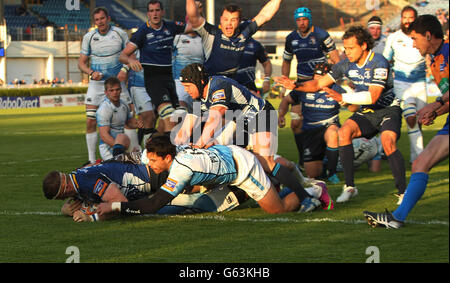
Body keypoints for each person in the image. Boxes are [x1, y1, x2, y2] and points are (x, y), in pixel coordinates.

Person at [275, 26, 406, 204]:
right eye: (345, 48)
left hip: (388, 109)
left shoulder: (379, 62)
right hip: (367, 111)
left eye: (351, 48)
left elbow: (373, 96)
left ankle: (402, 192)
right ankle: (350, 187)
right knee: (344, 133)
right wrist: (295, 85)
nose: (347, 52)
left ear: (364, 46)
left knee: (388, 142)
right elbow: (318, 83)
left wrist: (343, 97)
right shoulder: (345, 64)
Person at [176, 63, 321, 212]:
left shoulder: (218, 85)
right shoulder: (198, 96)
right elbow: (189, 123)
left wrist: (200, 143)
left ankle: (306, 198)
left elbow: (216, 115)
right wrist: (178, 146)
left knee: (266, 162)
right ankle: (272, 186)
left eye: (188, 86)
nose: (186, 90)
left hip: (261, 115)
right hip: (240, 123)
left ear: (200, 82)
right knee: (236, 158)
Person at [96, 135, 324, 217]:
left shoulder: (180, 170)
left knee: (277, 210)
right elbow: (143, 157)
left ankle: (314, 191)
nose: (150, 164)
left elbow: (154, 203)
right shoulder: (175, 150)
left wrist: (115, 207)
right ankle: (281, 178)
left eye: (154, 160)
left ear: (167, 158)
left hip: (243, 169)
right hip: (228, 155)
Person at [363, 15, 449, 229]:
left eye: (415, 38)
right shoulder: (435, 59)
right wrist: (437, 112)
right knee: (421, 163)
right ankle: (397, 218)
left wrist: (436, 103)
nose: (413, 43)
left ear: (428, 36)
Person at [281, 7, 341, 168]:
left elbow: (335, 58)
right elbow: (286, 61)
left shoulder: (321, 35)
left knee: (321, 120)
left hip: (321, 82)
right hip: (301, 84)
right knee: (295, 123)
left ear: (310, 20)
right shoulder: (291, 38)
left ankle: (326, 155)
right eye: (299, 20)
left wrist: (340, 76)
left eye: (304, 19)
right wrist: (285, 84)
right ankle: (304, 158)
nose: (302, 23)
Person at [119, 0, 189, 135]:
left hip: (169, 78)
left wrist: (195, 10)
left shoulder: (170, 26)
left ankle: (154, 146)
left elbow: (193, 26)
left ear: (162, 12)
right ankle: (170, 152)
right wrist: (130, 61)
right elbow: (122, 56)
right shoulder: (142, 32)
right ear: (148, 14)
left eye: (157, 10)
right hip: (153, 78)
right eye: (151, 11)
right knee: (166, 115)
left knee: (178, 117)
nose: (154, 13)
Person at [78, 7, 133, 164]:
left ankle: (134, 152)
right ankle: (91, 159)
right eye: (97, 20)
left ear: (108, 18)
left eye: (102, 18)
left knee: (130, 119)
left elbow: (132, 55)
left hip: (117, 83)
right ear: (94, 22)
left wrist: (125, 69)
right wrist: (90, 73)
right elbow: (81, 63)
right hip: (97, 85)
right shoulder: (89, 37)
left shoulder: (119, 33)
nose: (100, 22)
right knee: (90, 121)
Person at [277, 62, 343, 183]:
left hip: (329, 126)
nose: (317, 79)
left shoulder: (337, 90)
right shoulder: (303, 88)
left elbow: (353, 107)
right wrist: (281, 114)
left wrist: (348, 102)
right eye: (316, 76)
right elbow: (286, 100)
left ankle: (332, 172)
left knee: (333, 133)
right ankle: (324, 163)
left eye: (321, 76)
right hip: (311, 132)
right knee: (312, 175)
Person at [185, 0, 282, 77]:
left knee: (257, 101)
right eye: (226, 19)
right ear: (221, 20)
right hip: (207, 80)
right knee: (195, 101)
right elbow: (193, 17)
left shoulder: (245, 31)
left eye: (233, 20)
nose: (229, 24)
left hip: (231, 81)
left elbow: (265, 15)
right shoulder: (211, 32)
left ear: (240, 21)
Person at [383, 6, 427, 163]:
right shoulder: (394, 37)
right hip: (401, 83)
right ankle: (421, 158)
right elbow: (386, 59)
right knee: (410, 118)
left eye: (410, 17)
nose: (407, 21)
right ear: (401, 19)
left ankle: (415, 157)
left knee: (420, 120)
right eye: (404, 17)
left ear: (416, 18)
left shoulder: (422, 36)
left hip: (420, 83)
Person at [96, 77, 143, 160]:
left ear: (121, 90)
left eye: (117, 90)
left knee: (137, 162)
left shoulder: (124, 104)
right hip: (108, 148)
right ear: (106, 92)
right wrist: (118, 150)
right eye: (111, 90)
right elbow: (104, 135)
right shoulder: (104, 109)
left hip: (122, 144)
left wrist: (138, 124)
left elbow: (128, 122)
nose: (115, 93)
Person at [126, 50, 157, 147]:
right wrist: (124, 69)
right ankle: (146, 151)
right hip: (139, 86)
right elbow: (125, 57)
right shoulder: (137, 42)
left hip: (157, 84)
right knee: (147, 118)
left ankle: (139, 148)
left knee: (150, 120)